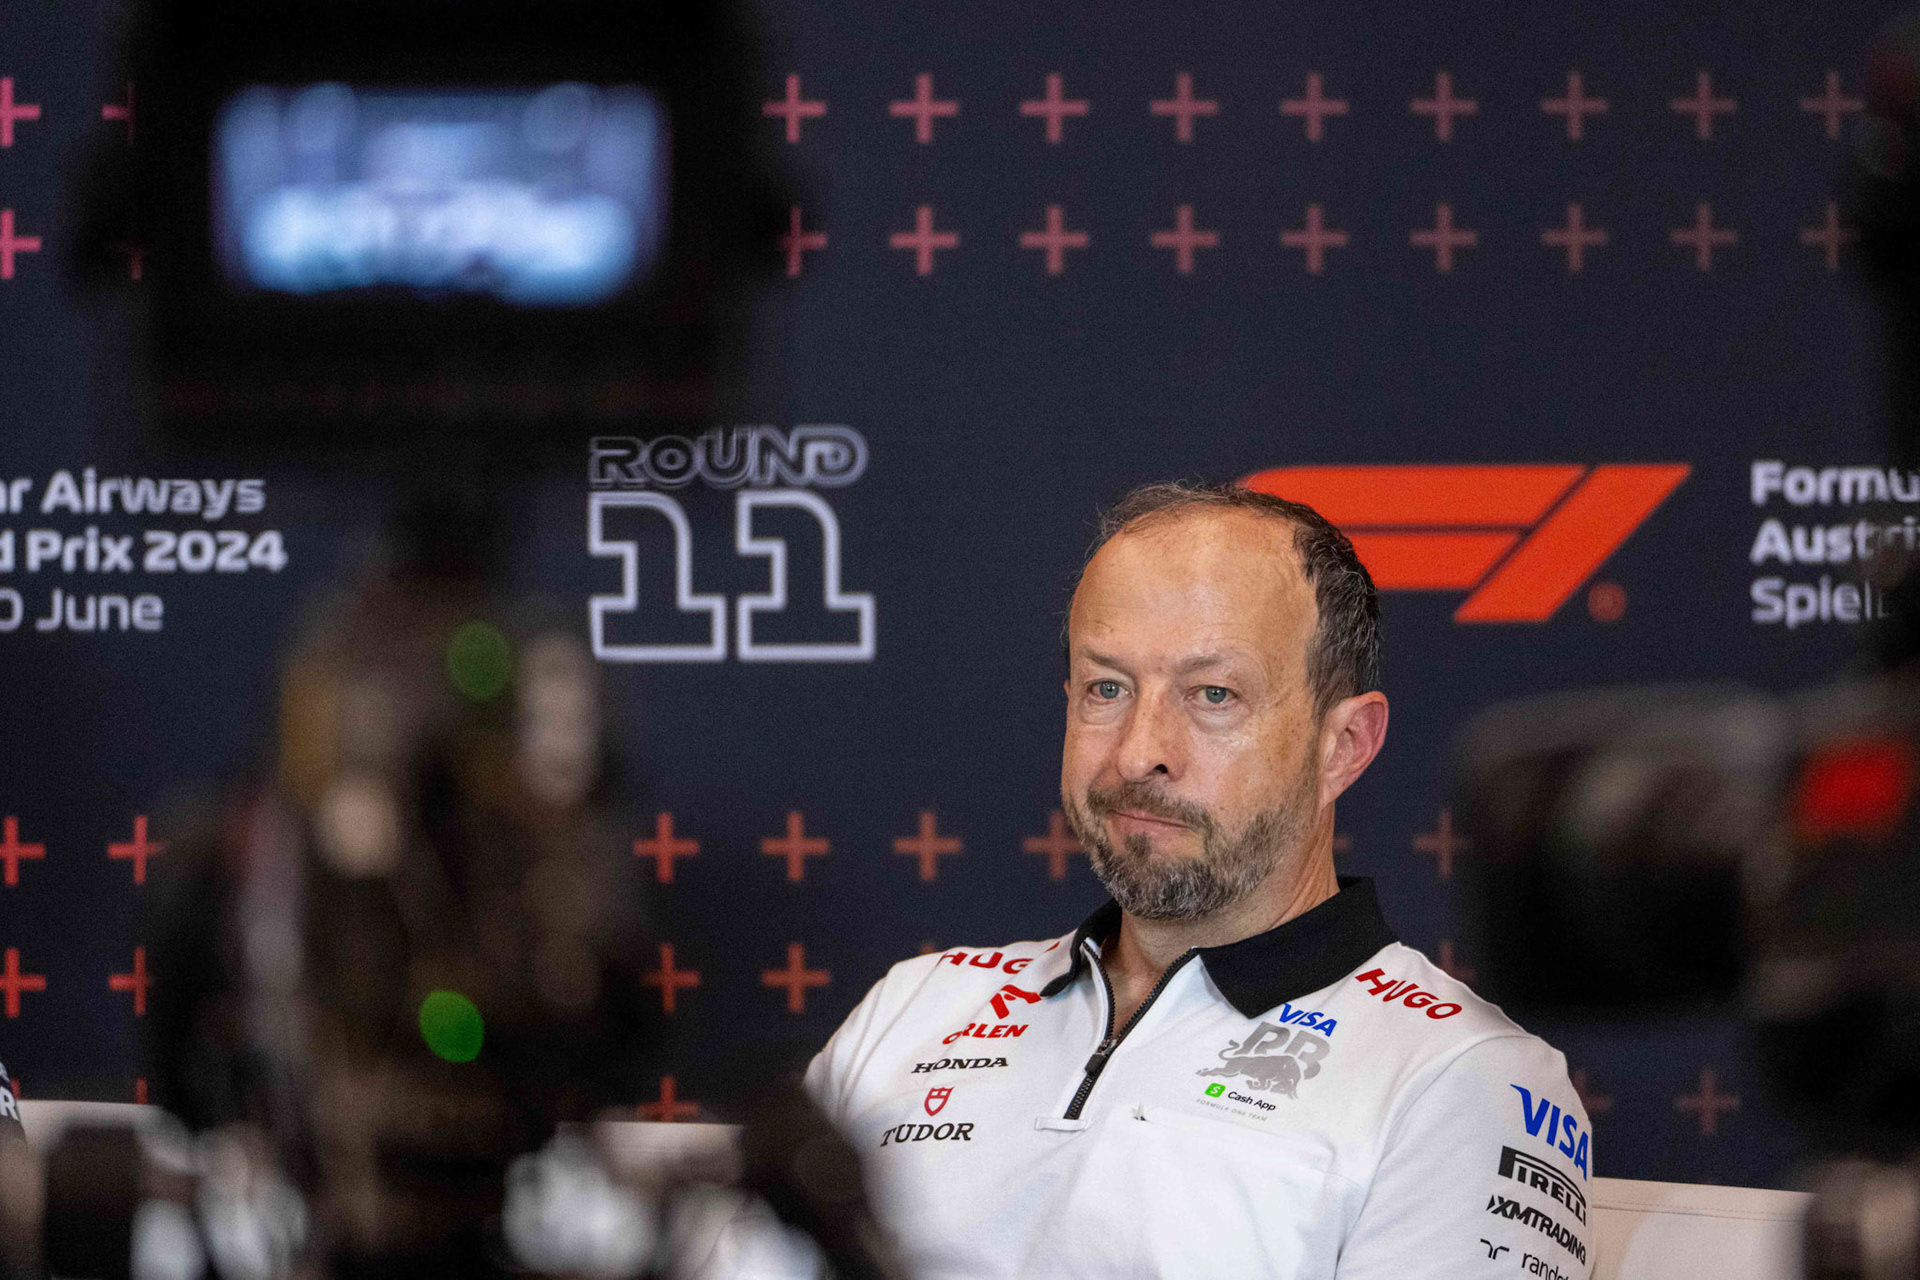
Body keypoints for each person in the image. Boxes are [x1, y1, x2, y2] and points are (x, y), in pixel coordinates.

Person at [805, 482, 1594, 1279]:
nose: (1139, 751)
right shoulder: (914, 1007)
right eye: (1106, 688)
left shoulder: (1461, 1077)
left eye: (1213, 695)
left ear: (1344, 744)